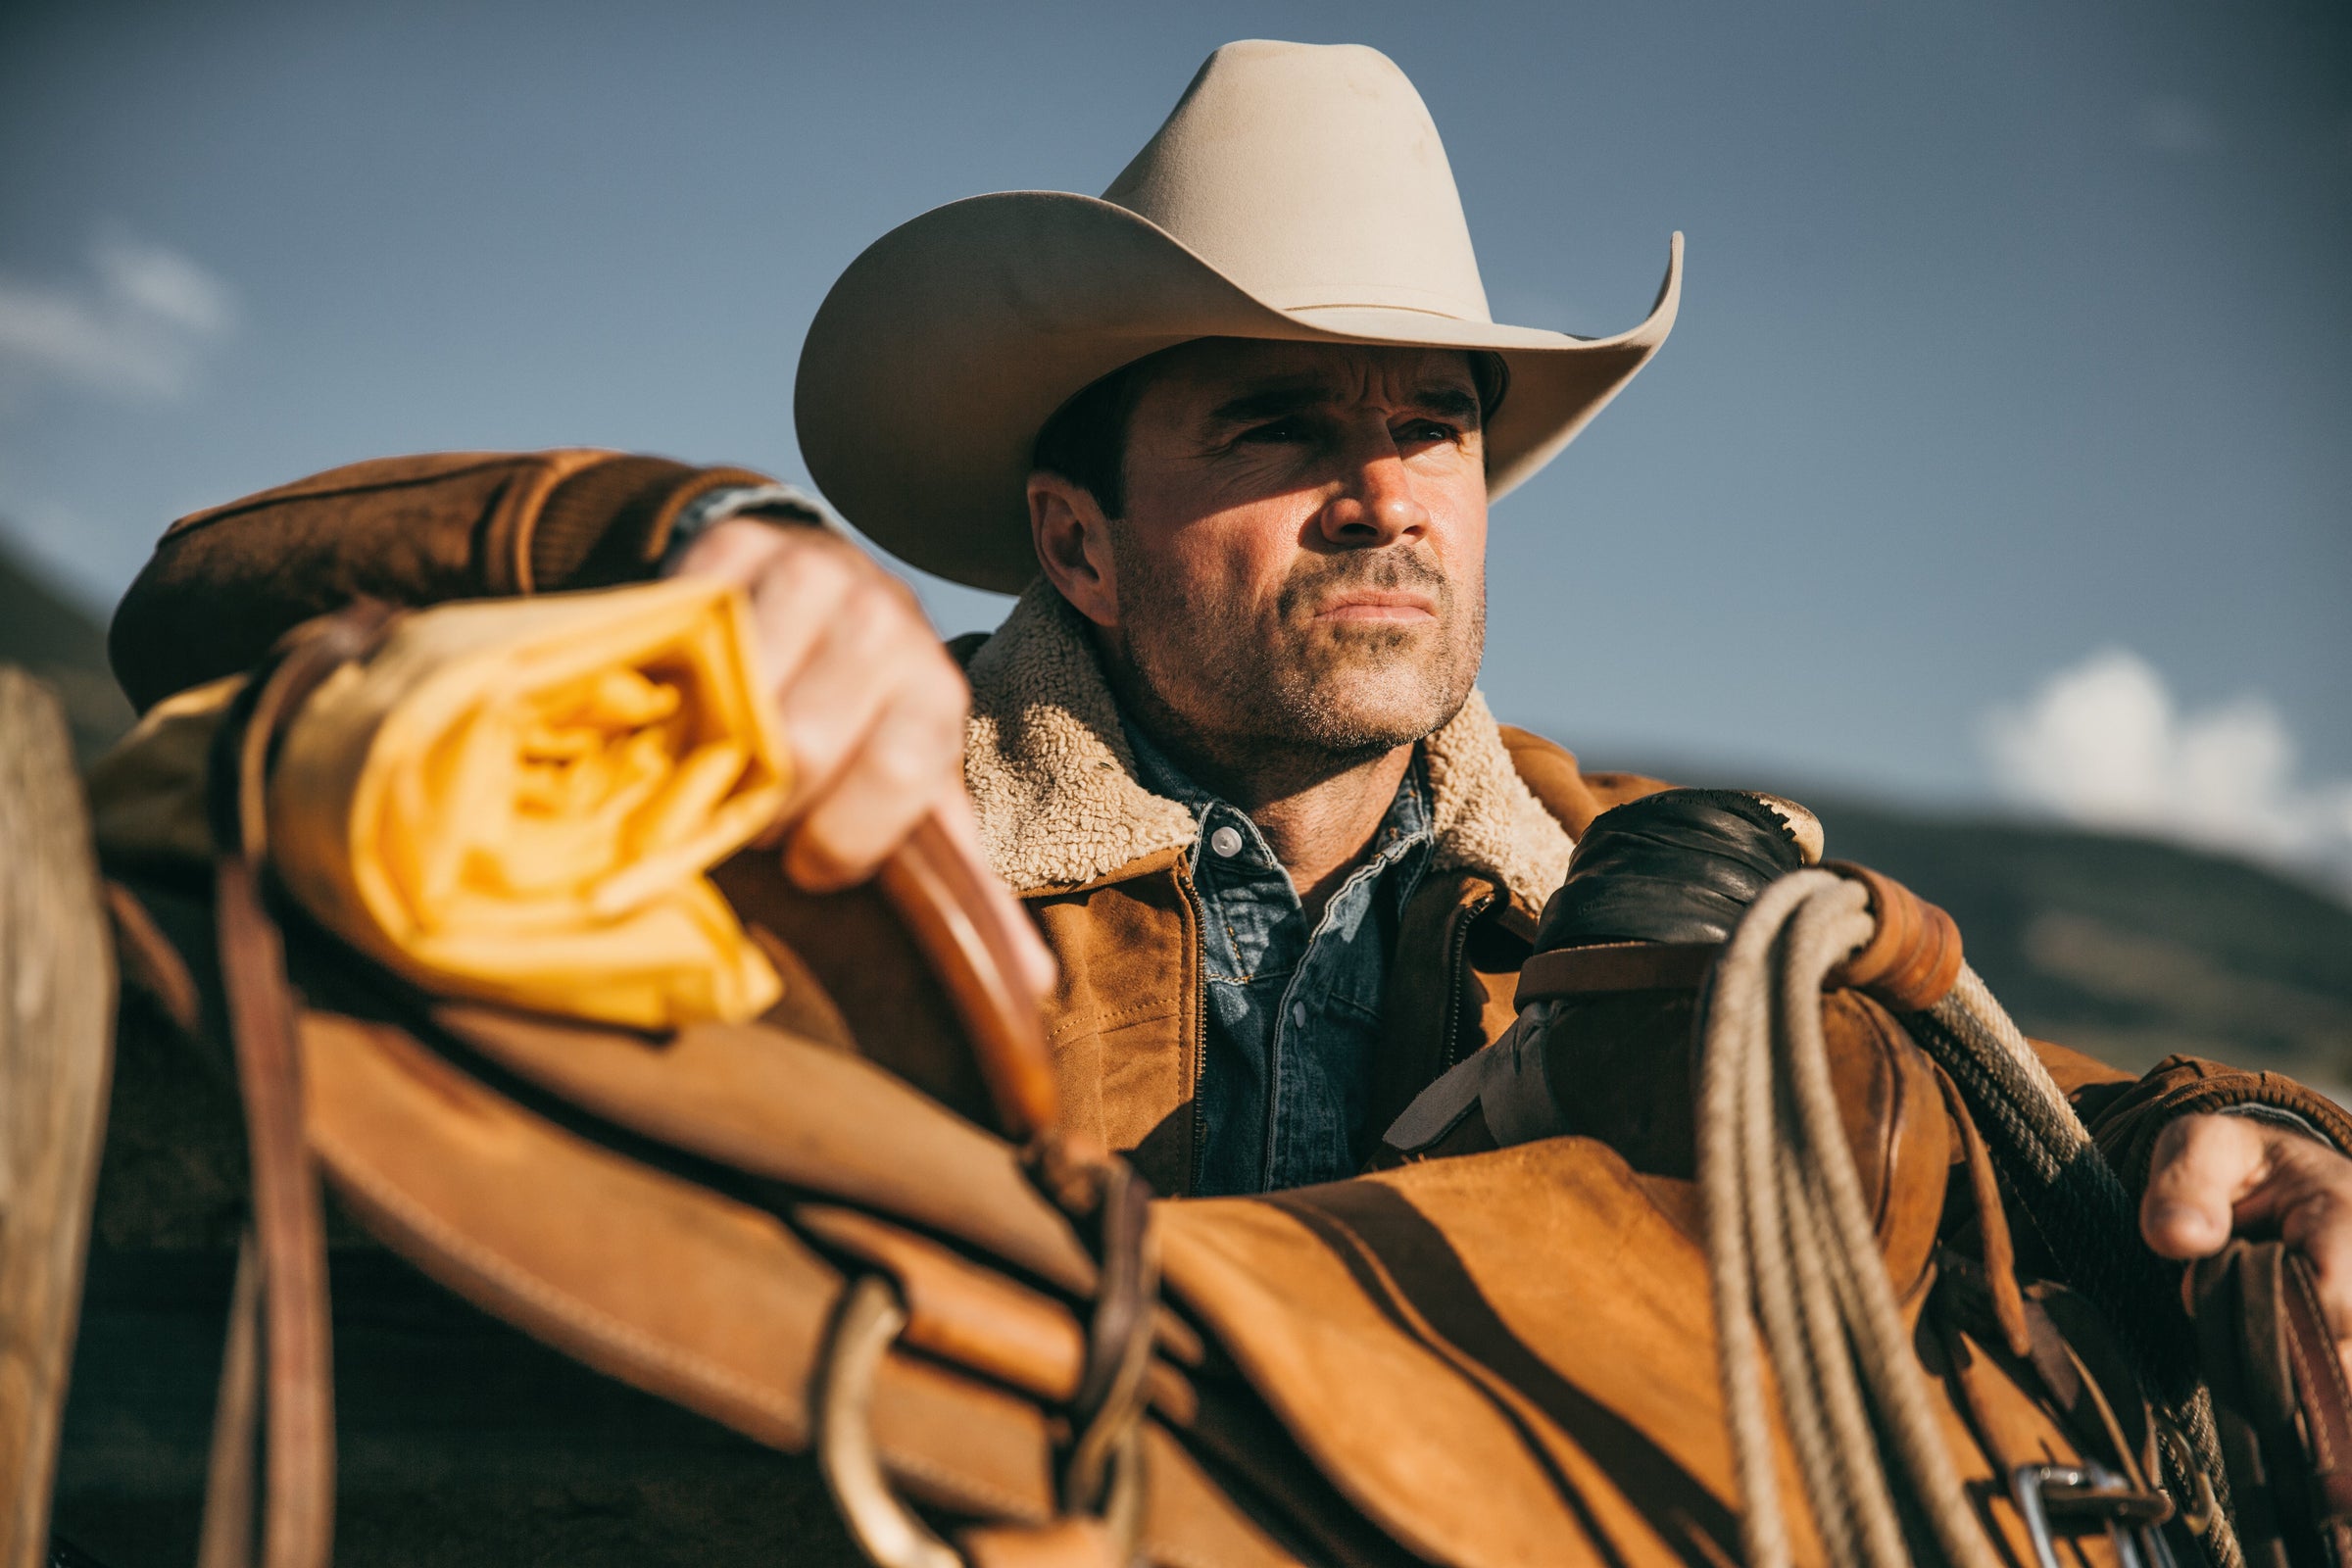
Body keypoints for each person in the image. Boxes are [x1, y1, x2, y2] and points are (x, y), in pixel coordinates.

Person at [108, 41, 2352, 1361]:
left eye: (1436, 425)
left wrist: (2214, 1128)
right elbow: (198, 607)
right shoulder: (820, 798)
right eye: (1281, 423)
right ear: (1073, 544)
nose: (1387, 487)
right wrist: (679, 541)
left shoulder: (1633, 879)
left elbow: (1991, 1092)